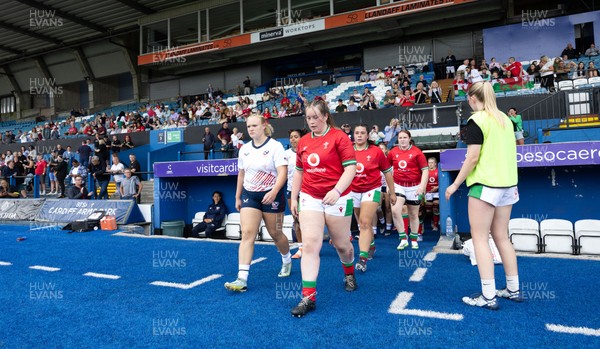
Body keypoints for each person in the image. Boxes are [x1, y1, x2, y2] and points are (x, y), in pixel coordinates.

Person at [445, 81, 521, 310]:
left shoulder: (476, 120)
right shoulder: (505, 120)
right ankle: (513, 289)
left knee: (480, 239)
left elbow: (472, 158)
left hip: (485, 185)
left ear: (471, 98)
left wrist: (455, 184)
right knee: (502, 237)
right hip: (508, 185)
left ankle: (488, 296)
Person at [289, 100, 357, 317]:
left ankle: (349, 272)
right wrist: (294, 197)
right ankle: (308, 297)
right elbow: (299, 171)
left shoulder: (339, 137)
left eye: (315, 118)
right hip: (310, 197)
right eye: (308, 118)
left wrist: (336, 191)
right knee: (310, 245)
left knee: (342, 245)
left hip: (338, 197)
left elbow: (351, 169)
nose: (312, 122)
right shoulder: (304, 141)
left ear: (325, 116)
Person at [224, 114, 291, 293]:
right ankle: (242, 278)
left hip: (272, 195)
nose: (251, 129)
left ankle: (286, 259)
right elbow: (241, 174)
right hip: (250, 196)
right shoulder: (244, 149)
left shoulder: (275, 147)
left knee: (275, 233)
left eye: (254, 125)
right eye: (248, 126)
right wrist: (238, 197)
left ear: (264, 126)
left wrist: (274, 192)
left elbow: (282, 173)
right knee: (247, 233)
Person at [351, 124, 396, 273]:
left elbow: (388, 172)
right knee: (362, 223)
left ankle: (362, 259)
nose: (359, 135)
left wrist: (393, 193)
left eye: (362, 132)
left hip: (372, 189)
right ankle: (371, 244)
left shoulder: (376, 151)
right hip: (353, 191)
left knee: (364, 222)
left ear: (367, 135)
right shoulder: (348, 151)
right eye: (357, 132)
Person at [387, 130, 428, 250]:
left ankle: (414, 239)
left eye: (405, 137)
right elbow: (387, 170)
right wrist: (391, 187)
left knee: (413, 214)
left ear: (409, 139)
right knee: (395, 210)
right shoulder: (393, 152)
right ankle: (403, 238)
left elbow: (425, 170)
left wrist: (422, 186)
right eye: (400, 138)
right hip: (398, 185)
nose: (402, 140)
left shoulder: (417, 152)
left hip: (414, 186)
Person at [285, 129, 306, 259]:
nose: (293, 139)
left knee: (308, 221)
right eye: (291, 137)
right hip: (291, 191)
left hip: (307, 191)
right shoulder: (285, 154)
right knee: (296, 220)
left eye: (296, 137)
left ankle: (312, 245)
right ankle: (301, 248)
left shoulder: (307, 152)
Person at [424, 157, 440, 232]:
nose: (430, 164)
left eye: (432, 162)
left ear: (435, 163)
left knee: (435, 207)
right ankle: (432, 220)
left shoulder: (438, 171)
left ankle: (436, 225)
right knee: (428, 210)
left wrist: (437, 187)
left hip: (436, 192)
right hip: (428, 192)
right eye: (429, 162)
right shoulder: (426, 172)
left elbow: (442, 181)